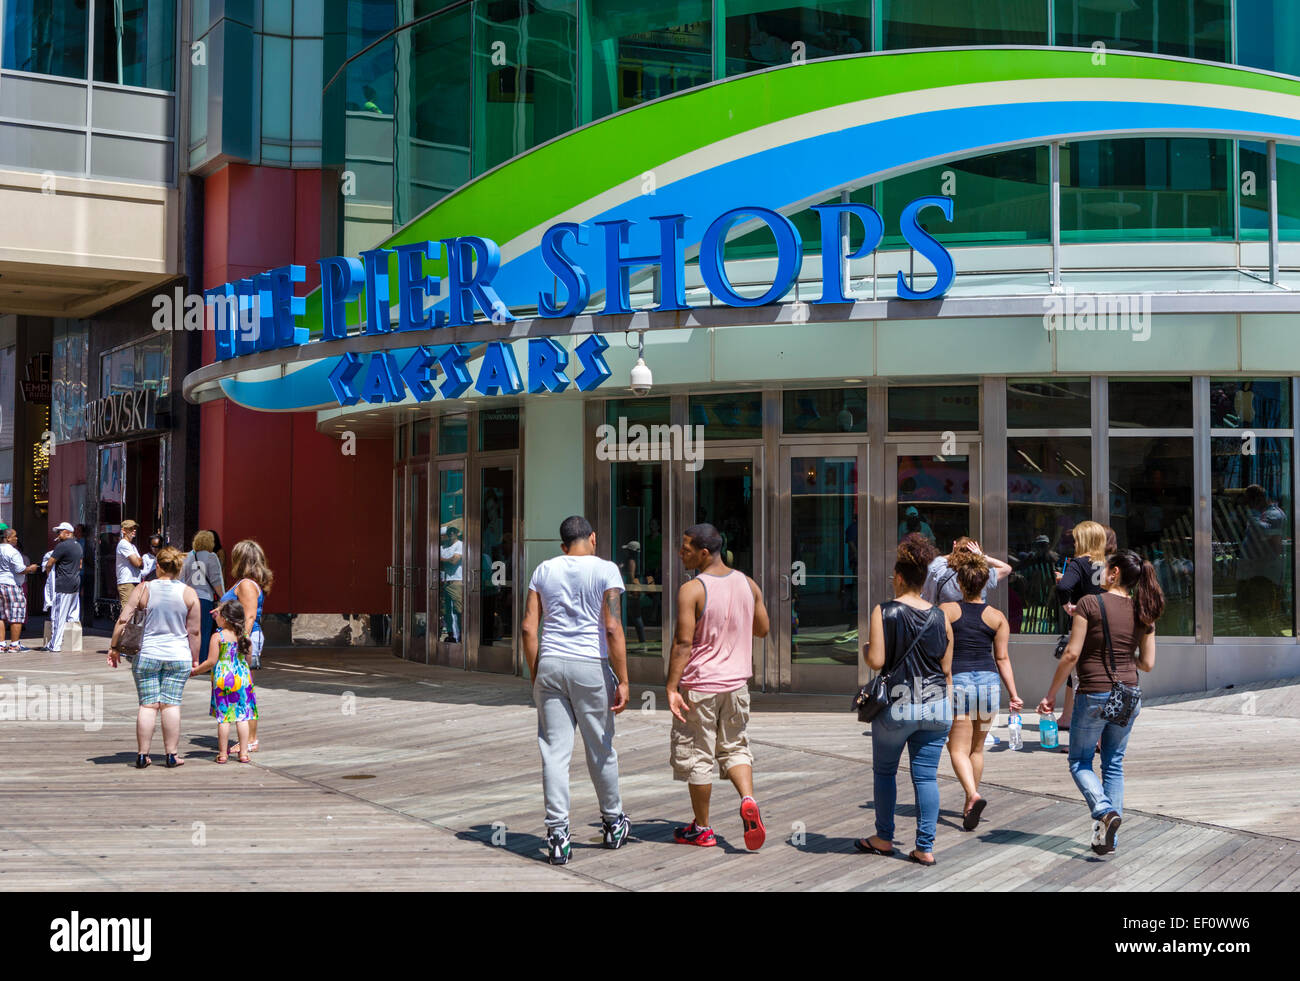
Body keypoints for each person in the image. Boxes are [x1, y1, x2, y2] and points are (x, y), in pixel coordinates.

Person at [1037, 549, 1164, 856]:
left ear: (1115, 572)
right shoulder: (1144, 609)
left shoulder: (1089, 603)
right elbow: (1147, 663)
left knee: (1080, 761)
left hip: (1093, 691)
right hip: (1128, 693)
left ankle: (1105, 811)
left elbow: (1071, 654)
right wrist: (1122, 654)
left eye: (1105, 568)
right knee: (1114, 763)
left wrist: (1051, 693)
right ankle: (1107, 840)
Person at [521, 515, 630, 866]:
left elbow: (527, 628)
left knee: (554, 753)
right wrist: (624, 679)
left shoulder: (543, 570)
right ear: (593, 538)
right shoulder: (606, 570)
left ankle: (557, 835)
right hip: (590, 667)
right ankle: (613, 823)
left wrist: (538, 672)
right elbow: (612, 627)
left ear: (563, 544)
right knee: (600, 747)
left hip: (550, 662)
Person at [666, 523, 770, 850]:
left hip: (700, 686)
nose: (680, 553)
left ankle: (704, 828)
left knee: (699, 757)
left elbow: (683, 643)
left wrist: (671, 687)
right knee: (736, 747)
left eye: (686, 549)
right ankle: (748, 799)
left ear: (705, 553)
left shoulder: (692, 590)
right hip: (736, 686)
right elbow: (763, 629)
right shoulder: (748, 584)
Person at [859, 535, 953, 867]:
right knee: (926, 777)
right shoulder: (941, 617)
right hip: (937, 704)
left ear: (899, 577)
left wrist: (866, 649)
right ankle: (924, 847)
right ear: (923, 579)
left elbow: (876, 661)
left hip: (899, 705)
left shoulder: (884, 611)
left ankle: (884, 838)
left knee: (885, 772)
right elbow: (946, 666)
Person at [940, 548, 1020, 830]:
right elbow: (1002, 658)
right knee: (977, 750)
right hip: (988, 684)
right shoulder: (997, 617)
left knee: (956, 749)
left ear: (959, 584)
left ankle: (973, 795)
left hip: (959, 682)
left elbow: (939, 650)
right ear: (986, 583)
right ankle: (967, 804)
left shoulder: (947, 611)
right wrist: (1014, 693)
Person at [108, 546, 202, 769]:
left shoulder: (143, 588)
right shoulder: (189, 593)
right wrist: (195, 658)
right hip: (178, 655)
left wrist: (114, 647)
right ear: (178, 568)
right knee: (171, 705)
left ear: (157, 566)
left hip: (147, 653)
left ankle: (142, 755)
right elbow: (194, 632)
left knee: (148, 706)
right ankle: (171, 755)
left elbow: (123, 620)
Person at [1054, 520, 1108, 732]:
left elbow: (1065, 587)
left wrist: (1067, 605)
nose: (1074, 542)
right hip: (1105, 626)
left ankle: (1083, 729)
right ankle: (1100, 729)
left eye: (1076, 539)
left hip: (1083, 625)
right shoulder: (1106, 565)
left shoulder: (1079, 563)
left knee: (1080, 677)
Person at [219, 540, 272, 752]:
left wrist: (242, 641)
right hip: (242, 637)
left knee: (244, 690)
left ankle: (250, 739)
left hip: (244, 638)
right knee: (241, 688)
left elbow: (249, 615)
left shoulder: (247, 585)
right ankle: (248, 738)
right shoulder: (245, 583)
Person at [192, 598, 258, 764]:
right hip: (242, 679)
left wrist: (195, 671)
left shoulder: (218, 637)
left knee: (224, 719)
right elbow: (248, 661)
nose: (216, 617)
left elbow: (211, 661)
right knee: (242, 717)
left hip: (223, 680)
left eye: (218, 614)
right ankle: (243, 753)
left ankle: (222, 754)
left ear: (225, 619)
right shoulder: (245, 637)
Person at [923, 537, 1011, 605]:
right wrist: (983, 557)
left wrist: (953, 554)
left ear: (954, 545)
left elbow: (934, 563)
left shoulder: (941, 570)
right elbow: (1007, 569)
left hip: (948, 622)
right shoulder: (980, 574)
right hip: (975, 623)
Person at [182, 531, 226, 660]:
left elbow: (182, 578)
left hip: (189, 598)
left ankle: (191, 659)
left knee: (190, 631)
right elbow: (216, 579)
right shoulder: (211, 557)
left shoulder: (189, 557)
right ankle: (202, 660)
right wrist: (223, 598)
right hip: (205, 598)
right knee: (205, 631)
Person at [41, 523, 83, 652]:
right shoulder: (78, 546)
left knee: (59, 616)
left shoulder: (62, 546)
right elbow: (80, 565)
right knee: (72, 614)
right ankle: (67, 643)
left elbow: (49, 563)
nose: (57, 535)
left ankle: (55, 645)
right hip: (75, 583)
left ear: (67, 532)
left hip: (63, 584)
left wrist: (49, 574)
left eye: (59, 532)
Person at [0, 528, 39, 652]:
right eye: (15, 536)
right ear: (8, 538)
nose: (17, 538)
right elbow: (20, 570)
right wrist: (31, 568)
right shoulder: (13, 552)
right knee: (16, 615)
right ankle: (15, 645)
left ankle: (1, 644)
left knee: (1, 616)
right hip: (12, 585)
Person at [620, 541, 648, 648]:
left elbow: (631, 578)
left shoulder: (631, 561)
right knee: (636, 617)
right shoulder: (638, 561)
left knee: (636, 617)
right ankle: (642, 642)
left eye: (627, 550)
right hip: (635, 592)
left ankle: (642, 643)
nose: (625, 552)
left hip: (632, 592)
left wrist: (631, 592)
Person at [439, 525, 464, 643]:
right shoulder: (442, 547)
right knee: (446, 611)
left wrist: (442, 560)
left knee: (459, 610)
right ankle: (452, 635)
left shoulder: (460, 545)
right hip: (445, 582)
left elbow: (454, 561)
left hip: (457, 582)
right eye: (448, 533)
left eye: (453, 532)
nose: (451, 534)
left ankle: (463, 635)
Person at [115, 520, 144, 607]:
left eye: (134, 528)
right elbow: (137, 563)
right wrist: (139, 560)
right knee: (127, 613)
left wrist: (139, 561)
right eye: (131, 528)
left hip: (134, 581)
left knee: (133, 612)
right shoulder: (124, 544)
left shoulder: (132, 546)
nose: (134, 530)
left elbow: (141, 564)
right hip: (127, 582)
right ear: (123, 530)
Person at [75, 524, 94, 625]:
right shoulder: (75, 542)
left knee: (86, 597)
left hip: (86, 573)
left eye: (77, 529)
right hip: (78, 574)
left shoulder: (86, 543)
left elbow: (90, 558)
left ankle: (86, 620)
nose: (75, 531)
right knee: (77, 597)